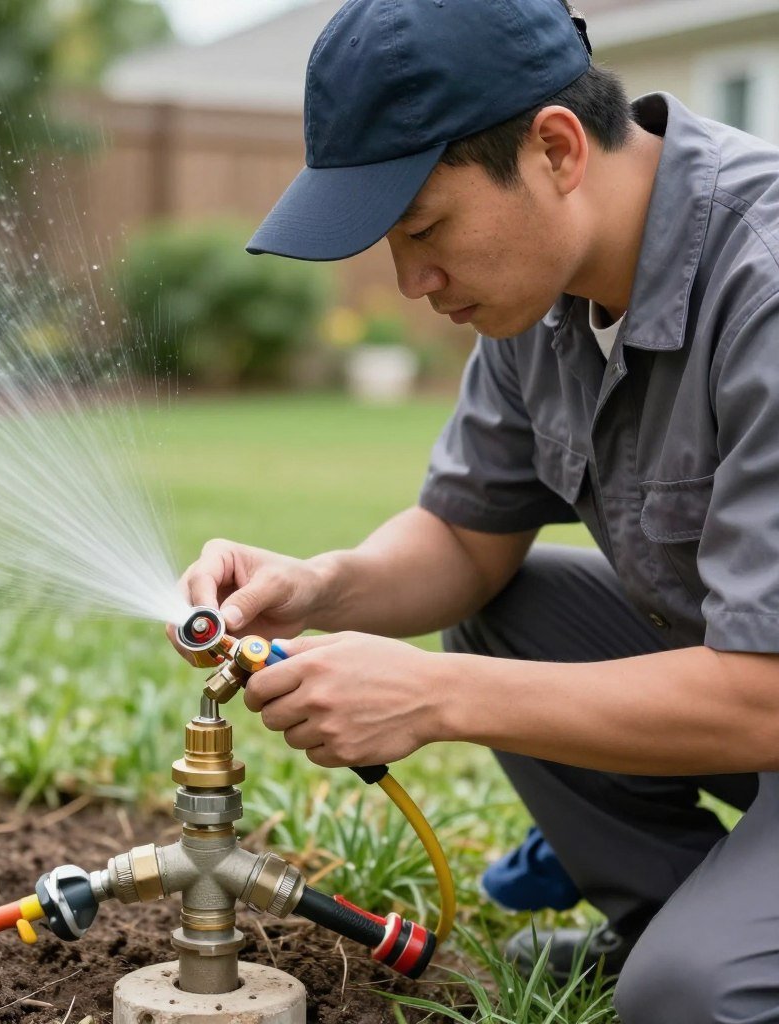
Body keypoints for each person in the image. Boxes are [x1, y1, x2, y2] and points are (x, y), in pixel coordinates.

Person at [171, 0, 779, 1019]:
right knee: (515, 607)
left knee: (685, 1000)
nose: (412, 282)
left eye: (424, 228)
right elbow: (465, 536)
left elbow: (765, 693)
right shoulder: (540, 289)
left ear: (553, 148)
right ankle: (686, 912)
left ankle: (702, 955)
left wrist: (434, 696)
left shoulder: (761, 283)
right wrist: (320, 585)